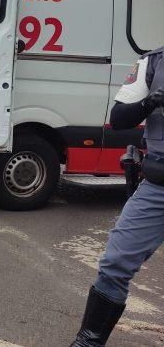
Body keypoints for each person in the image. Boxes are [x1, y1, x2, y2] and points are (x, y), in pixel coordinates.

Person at [71, 46, 164, 346]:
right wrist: (151, 102)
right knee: (115, 264)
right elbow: (120, 118)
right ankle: (87, 343)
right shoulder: (155, 62)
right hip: (157, 188)